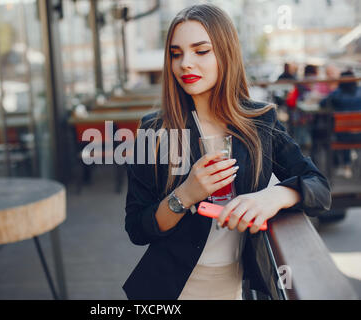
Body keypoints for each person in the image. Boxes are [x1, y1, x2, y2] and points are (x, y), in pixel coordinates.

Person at [123, 4, 331, 300]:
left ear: (225, 52)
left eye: (201, 51)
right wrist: (185, 195)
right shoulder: (154, 130)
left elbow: (319, 187)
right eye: (176, 53)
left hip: (237, 286)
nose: (185, 64)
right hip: (171, 289)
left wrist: (275, 196)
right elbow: (137, 229)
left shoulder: (260, 122)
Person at [320, 70, 361, 178]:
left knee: (340, 132)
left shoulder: (336, 94)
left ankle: (345, 165)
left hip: (342, 137)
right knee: (350, 131)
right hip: (359, 135)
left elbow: (322, 103)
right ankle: (348, 163)